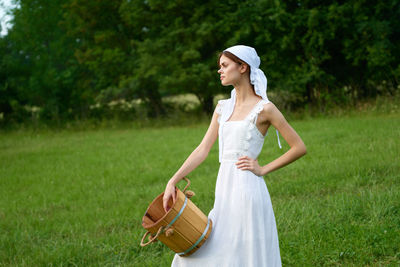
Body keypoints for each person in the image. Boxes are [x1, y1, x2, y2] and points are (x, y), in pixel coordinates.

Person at [163, 45, 307, 267]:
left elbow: (298, 147)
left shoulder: (265, 109)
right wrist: (173, 180)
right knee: (202, 251)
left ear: (242, 67)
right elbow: (203, 149)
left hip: (248, 190)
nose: (219, 70)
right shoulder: (222, 107)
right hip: (224, 190)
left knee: (245, 252)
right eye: (219, 66)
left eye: (224, 65)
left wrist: (263, 169)